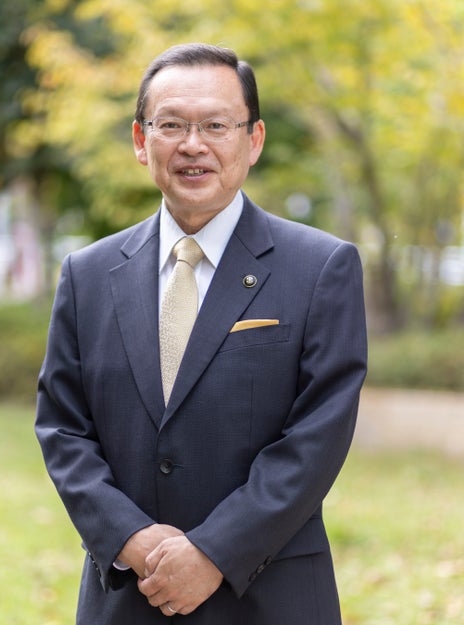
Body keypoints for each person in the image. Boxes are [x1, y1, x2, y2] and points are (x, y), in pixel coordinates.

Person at [35, 43, 368, 625]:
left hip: (270, 597)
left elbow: (317, 435)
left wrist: (213, 552)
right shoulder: (87, 275)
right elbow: (63, 427)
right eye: (171, 125)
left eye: (216, 125)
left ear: (253, 140)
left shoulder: (320, 267)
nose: (193, 145)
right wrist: (131, 539)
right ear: (141, 141)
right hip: (128, 594)